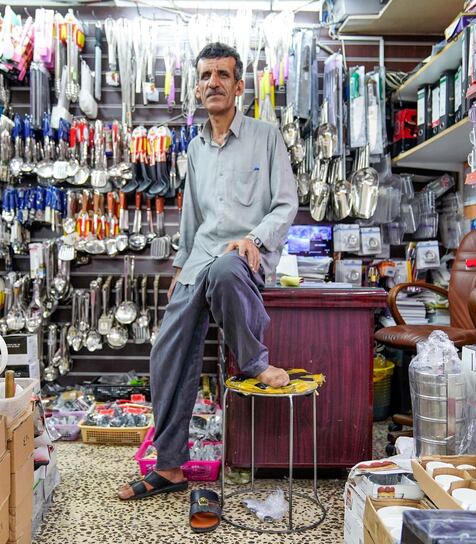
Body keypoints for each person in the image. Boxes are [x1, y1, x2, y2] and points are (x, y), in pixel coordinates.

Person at [118, 42, 298, 500]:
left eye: (222, 75)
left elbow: (285, 204)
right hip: (201, 261)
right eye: (205, 76)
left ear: (239, 87)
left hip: (244, 261)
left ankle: (256, 361)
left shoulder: (266, 136)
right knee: (166, 352)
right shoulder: (195, 149)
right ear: (197, 87)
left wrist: (254, 239)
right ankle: (171, 466)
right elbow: (193, 218)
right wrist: (180, 266)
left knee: (225, 270)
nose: (213, 83)